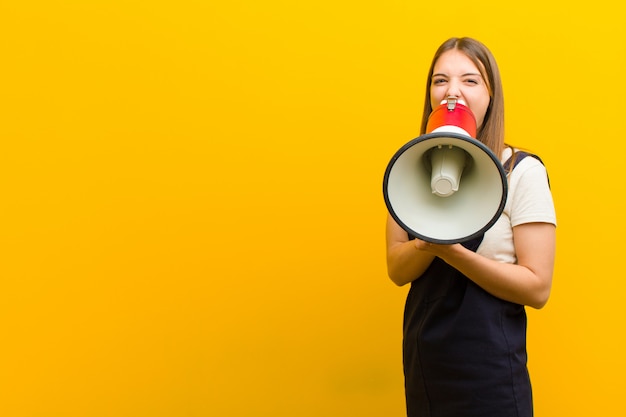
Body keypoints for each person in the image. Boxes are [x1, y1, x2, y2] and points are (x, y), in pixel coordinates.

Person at [385, 37, 556, 417]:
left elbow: (537, 287)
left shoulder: (522, 172)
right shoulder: (410, 168)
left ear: (491, 94)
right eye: (440, 80)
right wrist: (424, 246)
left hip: (491, 375)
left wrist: (451, 251)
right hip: (426, 366)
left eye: (470, 80)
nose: (452, 92)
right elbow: (396, 269)